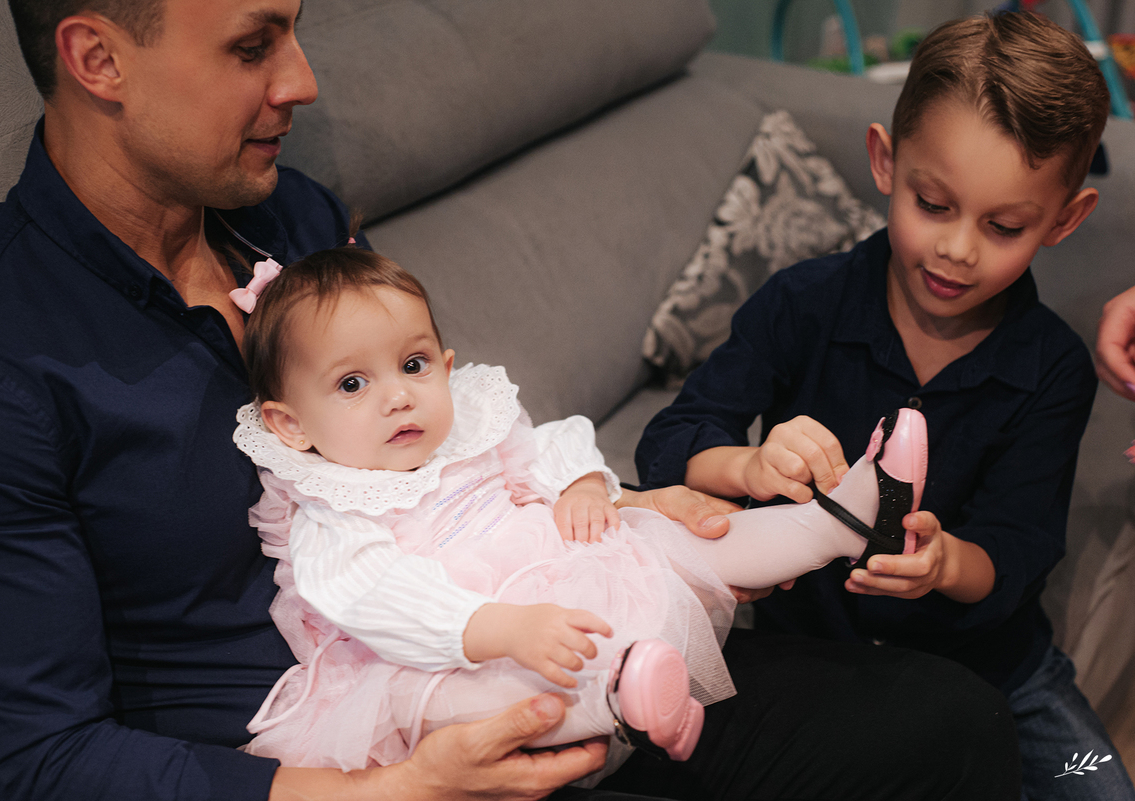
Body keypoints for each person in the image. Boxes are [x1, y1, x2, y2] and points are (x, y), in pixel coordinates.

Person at [0, 0, 1022, 799]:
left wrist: (613, 505)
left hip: (527, 637)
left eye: (297, 33)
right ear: (98, 59)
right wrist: (399, 789)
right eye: (253, 45)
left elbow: (445, 445)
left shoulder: (292, 217)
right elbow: (38, 760)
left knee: (948, 725)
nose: (303, 81)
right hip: (351, 757)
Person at [636, 11, 1135, 800]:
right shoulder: (802, 303)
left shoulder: (1053, 369)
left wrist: (946, 564)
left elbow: (1019, 545)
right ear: (884, 161)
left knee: (1099, 786)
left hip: (996, 664)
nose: (957, 249)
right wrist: (747, 464)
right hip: (815, 652)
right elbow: (673, 439)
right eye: (932, 203)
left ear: (1064, 220)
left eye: (1004, 226)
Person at [227, 241, 929, 771]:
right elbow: (370, 596)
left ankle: (839, 521)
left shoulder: (470, 425)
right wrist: (498, 627)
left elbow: (546, 447)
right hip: (451, 642)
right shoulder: (331, 507)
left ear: (445, 365)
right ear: (290, 424)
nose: (399, 396)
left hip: (558, 568)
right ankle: (622, 700)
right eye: (352, 384)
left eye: (413, 365)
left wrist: (584, 486)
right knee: (466, 701)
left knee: (673, 532)